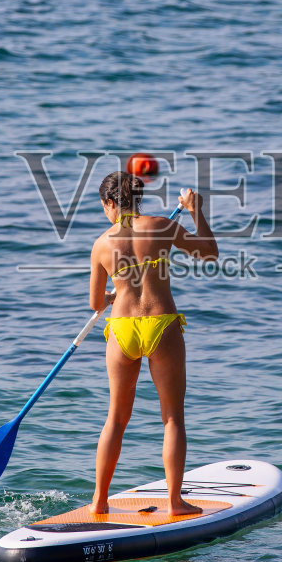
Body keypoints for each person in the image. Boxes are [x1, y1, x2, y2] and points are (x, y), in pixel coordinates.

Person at [88, 171, 217, 516]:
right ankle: (175, 502)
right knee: (172, 418)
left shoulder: (101, 243)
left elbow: (96, 304)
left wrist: (117, 292)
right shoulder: (162, 225)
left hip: (122, 329)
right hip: (161, 324)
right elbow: (210, 253)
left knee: (115, 418)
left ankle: (100, 502)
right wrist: (195, 210)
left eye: (103, 206)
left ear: (112, 203)